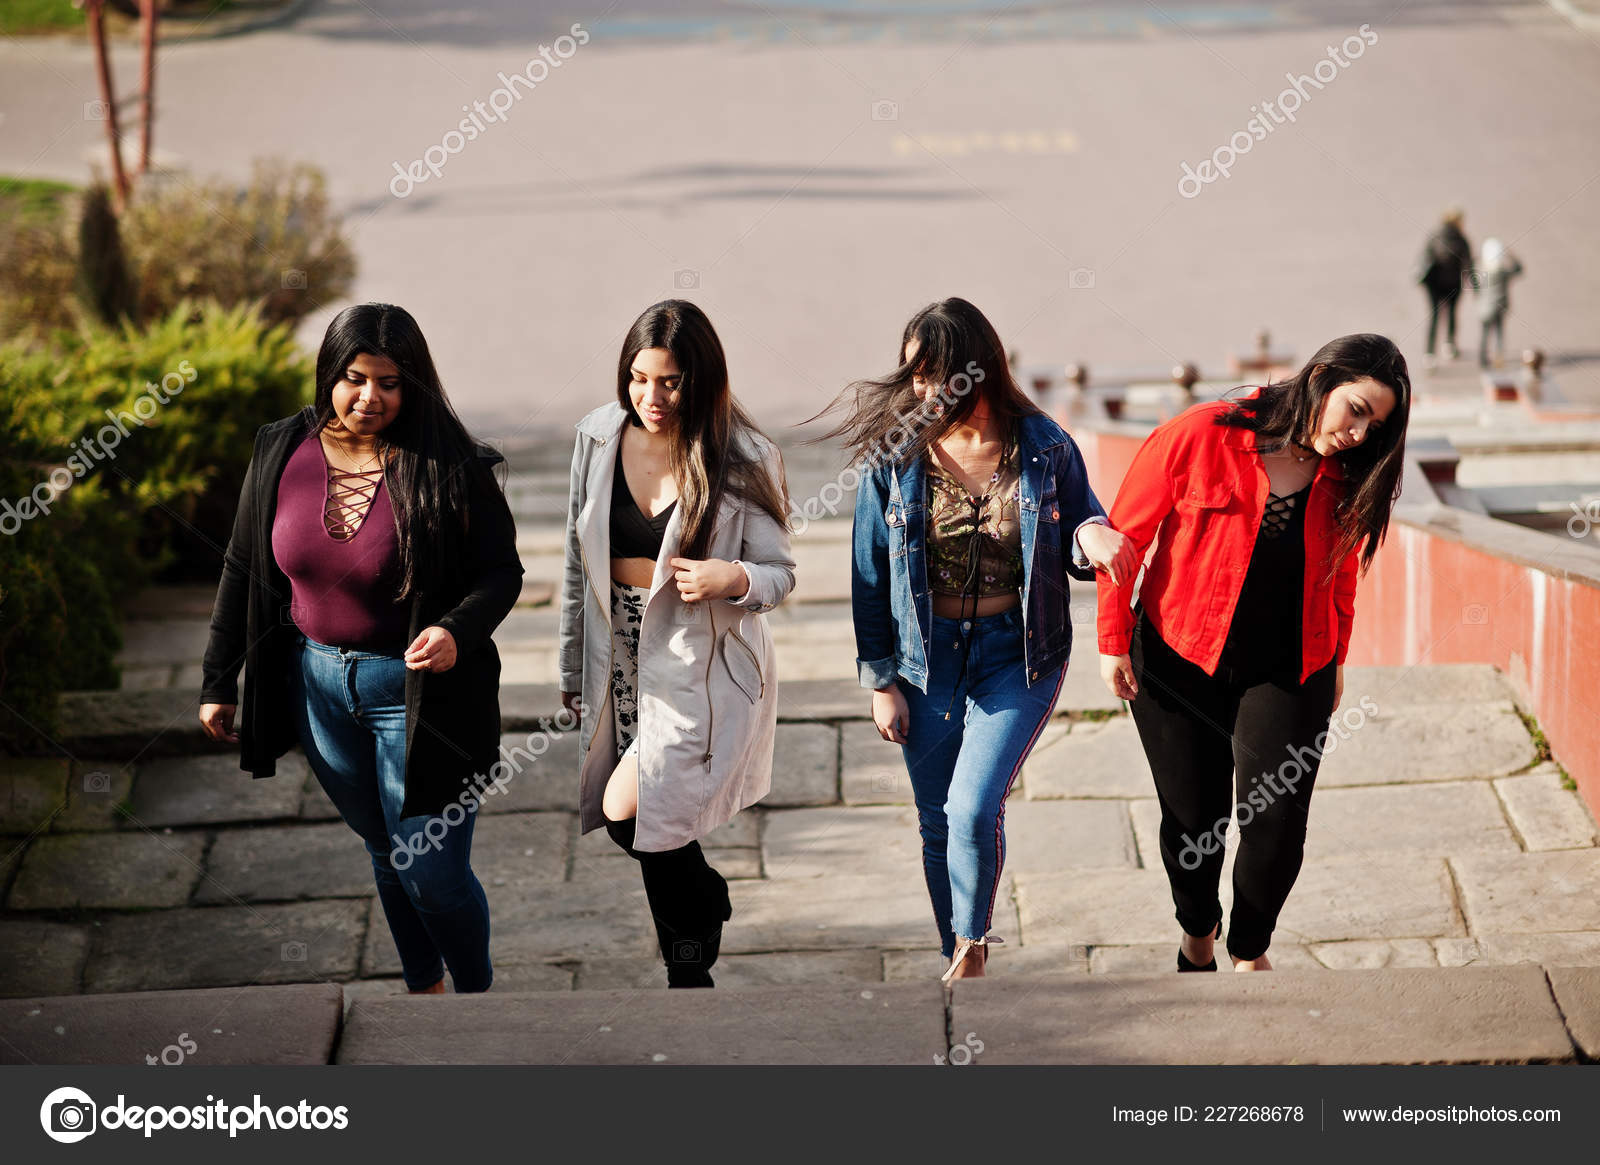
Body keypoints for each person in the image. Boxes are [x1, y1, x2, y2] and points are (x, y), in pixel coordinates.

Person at [199, 303, 523, 995]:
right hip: (318, 688)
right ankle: (423, 988)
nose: (369, 397)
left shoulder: (451, 464)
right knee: (384, 848)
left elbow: (501, 572)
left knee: (430, 871)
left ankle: (477, 996)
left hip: (418, 698)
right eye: (354, 378)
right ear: (330, 374)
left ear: (413, 385)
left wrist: (457, 630)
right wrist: (218, 679)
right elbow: (243, 565)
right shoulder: (281, 447)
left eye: (389, 382)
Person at [824, 297, 1137, 981]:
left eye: (937, 374)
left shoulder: (1044, 444)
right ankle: (958, 956)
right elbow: (868, 575)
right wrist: (881, 681)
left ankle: (970, 950)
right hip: (923, 658)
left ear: (979, 368)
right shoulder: (894, 455)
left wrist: (1090, 536)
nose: (925, 391)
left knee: (971, 808)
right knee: (937, 821)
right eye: (915, 375)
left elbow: (1082, 521)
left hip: (1016, 655)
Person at [1096, 333, 1410, 972]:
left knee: (1277, 822)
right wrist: (1112, 642)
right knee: (1194, 821)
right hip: (1179, 655)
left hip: (1291, 665)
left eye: (1374, 426)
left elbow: (1340, 577)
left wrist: (1337, 658)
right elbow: (1124, 537)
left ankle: (1249, 950)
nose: (1358, 434)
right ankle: (1197, 932)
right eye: (1356, 409)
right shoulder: (1203, 432)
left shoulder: (1350, 475)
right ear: (1320, 379)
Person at [558, 299, 795, 988]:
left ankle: (688, 970)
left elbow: (780, 573)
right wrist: (572, 668)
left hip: (697, 666)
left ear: (702, 379)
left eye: (670, 382)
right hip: (618, 656)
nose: (651, 398)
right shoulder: (598, 438)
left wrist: (734, 576)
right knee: (646, 820)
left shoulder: (744, 456)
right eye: (639, 379)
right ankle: (700, 922)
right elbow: (577, 563)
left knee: (633, 811)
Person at [1416, 207, 1473, 367]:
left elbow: (1424, 257)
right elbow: (1468, 263)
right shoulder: (1461, 239)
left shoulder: (1434, 235)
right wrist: (1475, 285)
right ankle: (1449, 345)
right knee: (1452, 314)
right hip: (1453, 283)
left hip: (1434, 285)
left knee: (1434, 317)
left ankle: (1429, 353)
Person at [1475, 237, 1525, 369]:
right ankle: (1499, 357)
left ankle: (1483, 358)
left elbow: (1473, 279)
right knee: (1499, 333)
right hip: (1500, 306)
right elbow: (1519, 269)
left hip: (1485, 307)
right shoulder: (1502, 272)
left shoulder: (1482, 271)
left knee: (1485, 334)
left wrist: (1477, 258)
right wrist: (1511, 255)